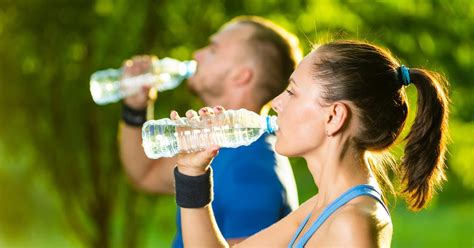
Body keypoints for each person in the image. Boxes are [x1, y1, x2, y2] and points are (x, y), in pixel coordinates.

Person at [172, 40, 450, 247]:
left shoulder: (351, 224)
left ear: (333, 117)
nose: (277, 103)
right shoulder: (324, 206)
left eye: (292, 92)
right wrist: (192, 173)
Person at [118, 16, 303, 247]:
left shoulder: (253, 168)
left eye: (213, 49)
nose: (197, 54)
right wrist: (135, 109)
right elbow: (144, 174)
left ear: (241, 75)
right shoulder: (217, 143)